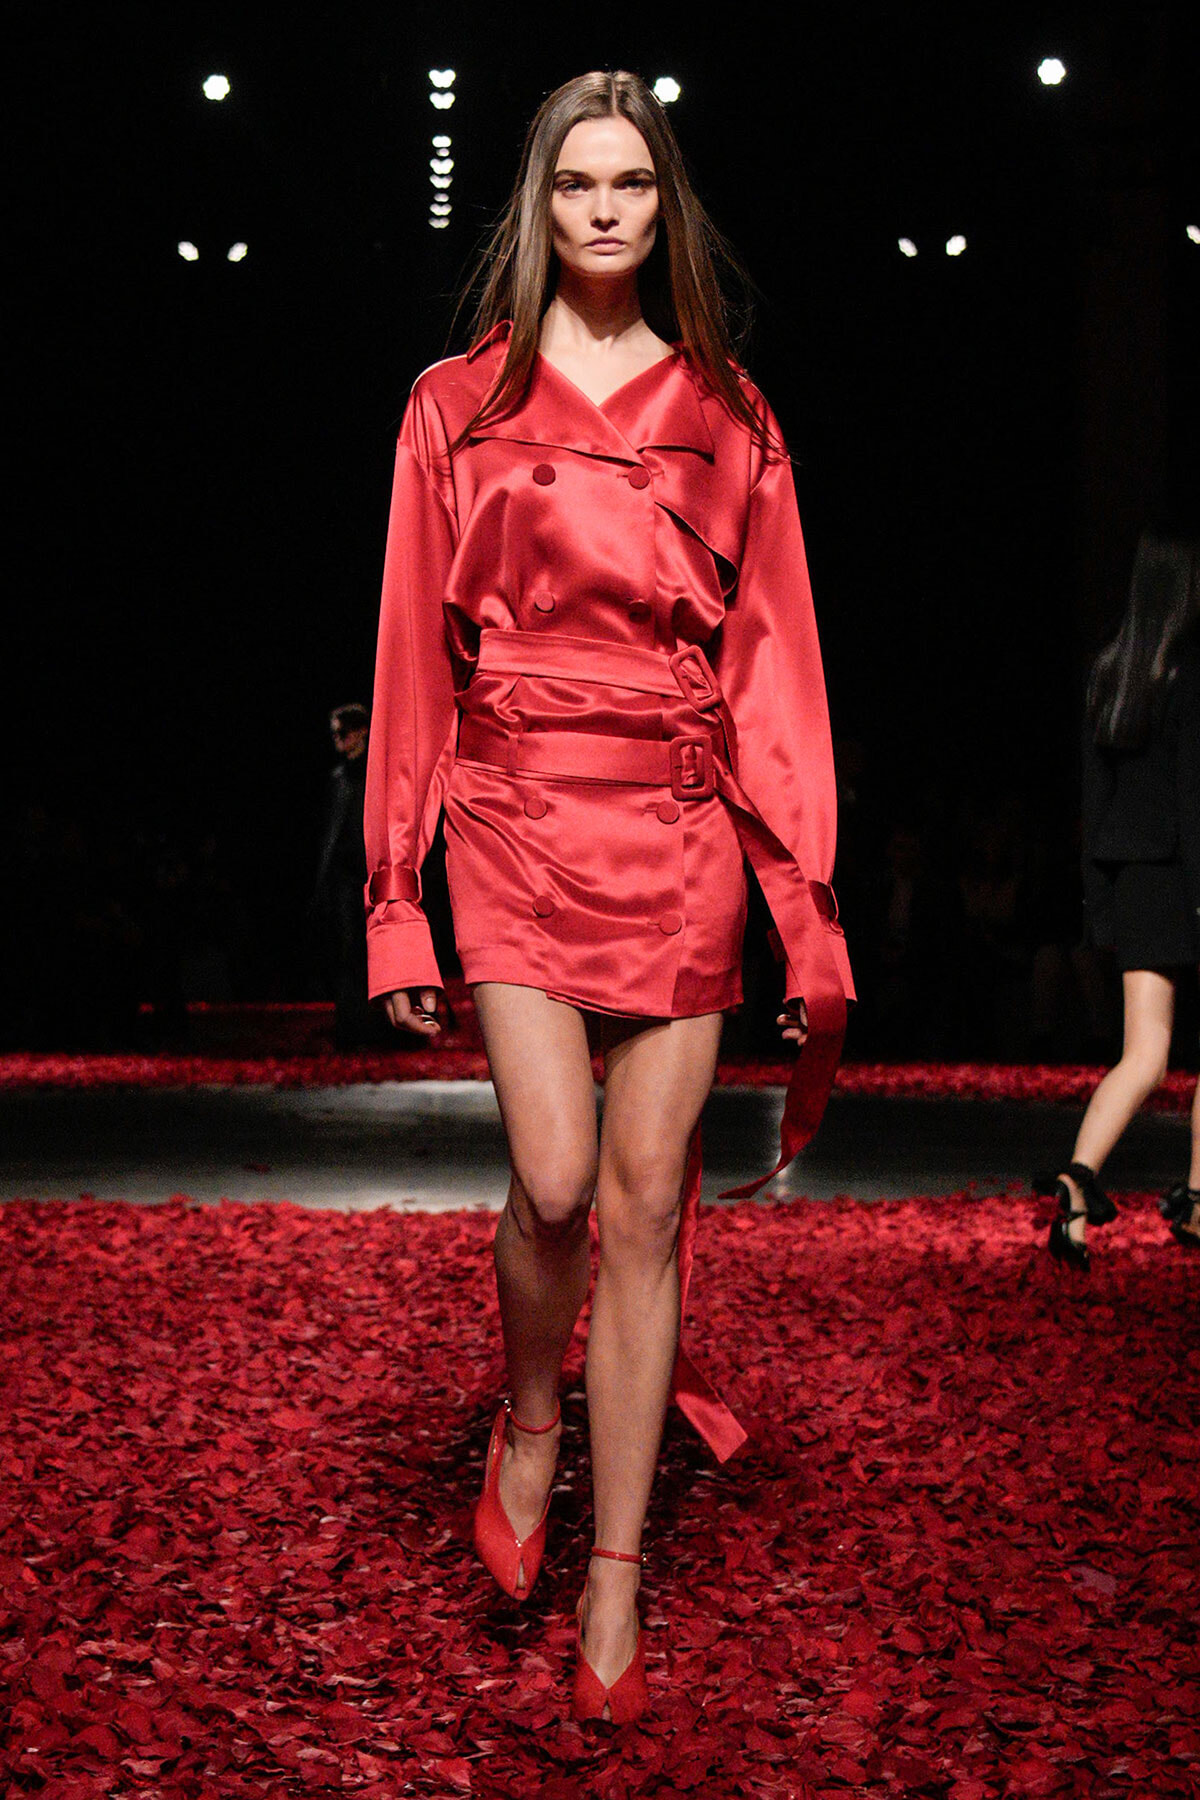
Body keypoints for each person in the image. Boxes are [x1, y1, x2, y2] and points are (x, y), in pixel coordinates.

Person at [362, 71, 853, 1722]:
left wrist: (810, 904)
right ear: (538, 201)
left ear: (665, 205)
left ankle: (618, 1572)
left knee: (649, 1221)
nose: (602, 209)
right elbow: (409, 666)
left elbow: (776, 672)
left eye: (630, 182)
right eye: (575, 182)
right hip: (507, 814)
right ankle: (529, 1414)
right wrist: (392, 899)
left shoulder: (735, 413)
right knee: (557, 1182)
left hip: (680, 831)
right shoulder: (455, 403)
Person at [1038, 529, 1200, 1268]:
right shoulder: (1186, 675)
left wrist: (1097, 909)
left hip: (1133, 881)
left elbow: (1093, 806)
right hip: (1183, 874)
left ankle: (1084, 1186)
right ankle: (1185, 1199)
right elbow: (1193, 800)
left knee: (1143, 1055)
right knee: (1158, 1057)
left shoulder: (1109, 672)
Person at [311, 704, 378, 1045]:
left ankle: (379, 1028)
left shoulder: (377, 773)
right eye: (334, 733)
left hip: (374, 873)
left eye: (343, 732)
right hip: (344, 877)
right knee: (348, 951)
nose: (337, 740)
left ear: (362, 731)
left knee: (375, 949)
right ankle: (353, 1028)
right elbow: (330, 835)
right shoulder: (339, 779)